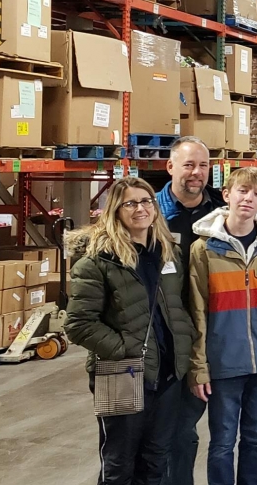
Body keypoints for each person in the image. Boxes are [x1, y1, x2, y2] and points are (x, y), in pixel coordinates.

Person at [66, 177, 194, 485]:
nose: (141, 209)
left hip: (165, 374)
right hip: (119, 372)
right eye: (131, 203)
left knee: (156, 459)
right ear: (115, 210)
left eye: (146, 201)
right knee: (119, 462)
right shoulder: (98, 260)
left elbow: (180, 307)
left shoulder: (168, 253)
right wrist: (126, 349)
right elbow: (79, 324)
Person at [188, 167, 257, 485]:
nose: (248, 198)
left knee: (256, 437)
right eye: (242, 190)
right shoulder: (205, 249)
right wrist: (198, 366)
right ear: (226, 195)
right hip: (224, 362)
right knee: (223, 442)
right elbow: (197, 312)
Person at [157, 136, 226, 485]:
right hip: (159, 337)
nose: (196, 173)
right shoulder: (148, 212)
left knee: (184, 427)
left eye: (203, 165)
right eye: (188, 165)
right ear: (170, 167)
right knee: (156, 429)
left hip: (205, 334)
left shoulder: (221, 215)